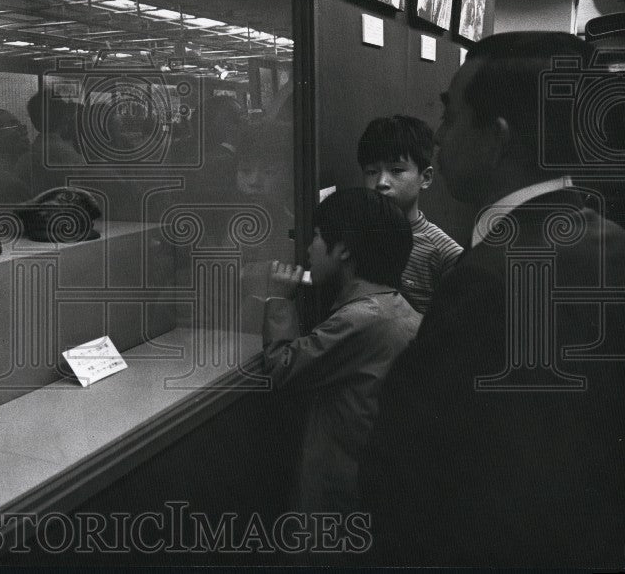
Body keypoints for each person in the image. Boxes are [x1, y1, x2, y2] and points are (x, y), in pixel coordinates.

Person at [360, 32, 625, 567]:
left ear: (498, 137)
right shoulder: (610, 241)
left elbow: (418, 463)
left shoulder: (488, 277)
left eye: (451, 118)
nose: (439, 137)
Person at [261, 188, 420, 513]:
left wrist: (278, 299)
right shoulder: (394, 306)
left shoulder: (360, 320)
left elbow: (283, 368)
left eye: (317, 237)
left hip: (340, 492)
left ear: (344, 249)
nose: (308, 249)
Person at [357, 114, 463, 313]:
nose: (381, 182)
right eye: (371, 171)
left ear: (426, 178)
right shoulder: (353, 238)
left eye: (396, 170)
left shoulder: (444, 254)